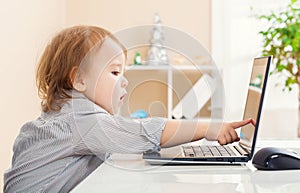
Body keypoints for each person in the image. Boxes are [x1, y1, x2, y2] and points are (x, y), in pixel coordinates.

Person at [3, 25, 253, 193]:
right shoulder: (80, 121)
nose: (124, 80)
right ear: (78, 80)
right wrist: (208, 127)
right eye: (114, 72)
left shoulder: (57, 118)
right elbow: (146, 131)